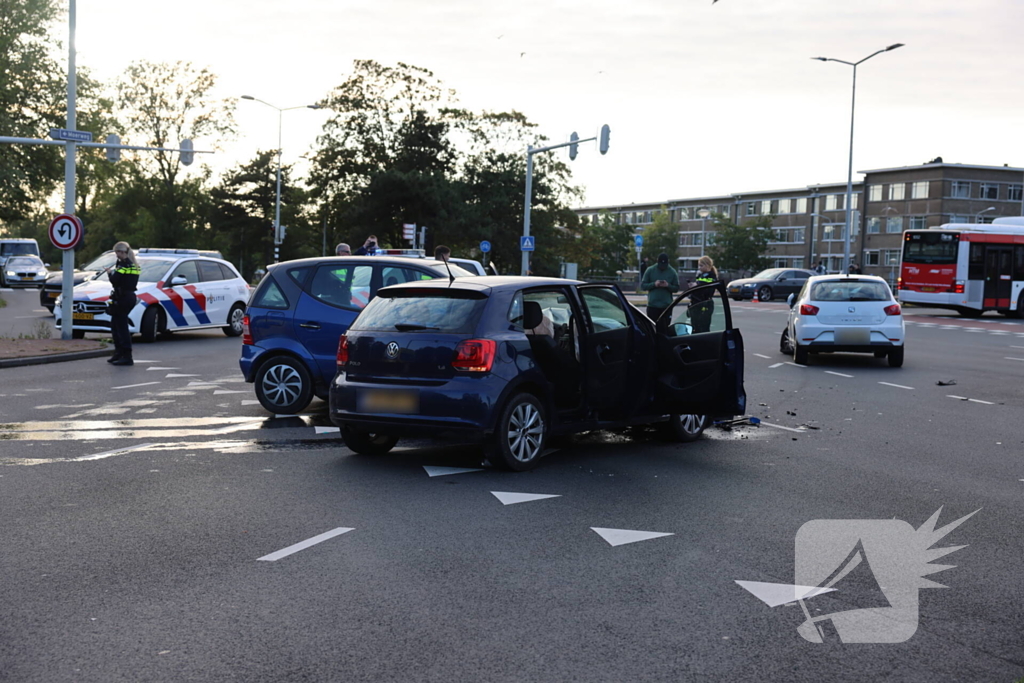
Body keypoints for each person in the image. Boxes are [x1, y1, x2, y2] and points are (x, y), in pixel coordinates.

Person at [106, 241, 141, 366]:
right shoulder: (134, 266)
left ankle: (126, 355)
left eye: (117, 252)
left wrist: (110, 273)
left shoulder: (123, 266)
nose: (116, 255)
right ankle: (119, 353)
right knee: (116, 325)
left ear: (121, 252)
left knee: (120, 327)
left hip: (122, 298)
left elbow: (115, 281)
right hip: (129, 296)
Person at [640, 252, 679, 322]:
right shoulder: (650, 270)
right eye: (661, 264)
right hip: (653, 305)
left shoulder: (672, 272)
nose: (662, 267)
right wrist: (654, 284)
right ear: (657, 261)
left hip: (666, 306)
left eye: (664, 265)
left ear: (668, 262)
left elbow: (676, 288)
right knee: (652, 328)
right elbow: (643, 286)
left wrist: (668, 285)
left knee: (665, 328)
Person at [689, 255, 719, 334]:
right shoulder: (701, 275)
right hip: (696, 304)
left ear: (707, 265)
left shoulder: (711, 275)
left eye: (701, 265)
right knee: (695, 328)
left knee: (703, 328)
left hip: (704, 305)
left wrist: (697, 285)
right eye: (699, 265)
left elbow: (707, 285)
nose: (699, 268)